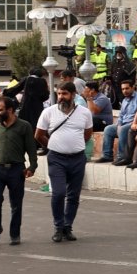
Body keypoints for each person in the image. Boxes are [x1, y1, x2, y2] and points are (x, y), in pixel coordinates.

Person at [36, 81, 94, 243]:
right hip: (56, 159)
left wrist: (74, 146)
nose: (61, 97)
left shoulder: (84, 113)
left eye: (64, 94)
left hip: (77, 159)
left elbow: (87, 134)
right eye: (59, 94)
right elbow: (39, 135)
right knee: (58, 193)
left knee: (74, 196)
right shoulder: (48, 112)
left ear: (73, 95)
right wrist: (53, 146)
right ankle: (58, 227)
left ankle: (68, 227)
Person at [0, 97, 38, 246]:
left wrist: (32, 166)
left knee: (16, 204)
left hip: (16, 170)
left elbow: (31, 148)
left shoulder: (24, 126)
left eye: (0, 109)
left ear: (10, 110)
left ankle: (15, 234)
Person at [100, 79, 137, 164]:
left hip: (135, 125)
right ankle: (107, 156)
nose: (125, 91)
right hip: (123, 124)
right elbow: (121, 115)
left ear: (133, 87)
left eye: (127, 88)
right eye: (123, 89)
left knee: (123, 129)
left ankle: (122, 157)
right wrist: (119, 124)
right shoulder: (124, 100)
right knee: (108, 129)